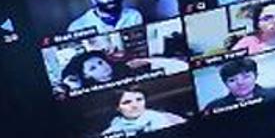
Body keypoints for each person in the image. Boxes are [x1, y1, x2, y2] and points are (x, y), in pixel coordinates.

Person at [59, 49, 187, 92]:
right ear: (86, 76)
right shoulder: (88, 89)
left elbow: (155, 64)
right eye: (93, 68)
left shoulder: (126, 67)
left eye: (100, 62)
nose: (102, 67)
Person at [203, 57, 275, 112]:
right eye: (232, 80)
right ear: (225, 84)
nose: (240, 83)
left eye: (246, 77)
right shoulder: (214, 107)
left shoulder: (274, 94)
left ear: (255, 76)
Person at [101, 87, 186, 136]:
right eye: (127, 102)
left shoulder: (169, 118)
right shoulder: (110, 133)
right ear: (117, 108)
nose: (135, 105)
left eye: (139, 99)